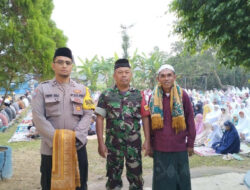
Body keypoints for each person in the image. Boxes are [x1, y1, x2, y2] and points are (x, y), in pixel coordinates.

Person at [32, 47, 94, 190]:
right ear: (53, 65)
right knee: (50, 186)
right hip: (51, 149)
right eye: (60, 62)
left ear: (72, 66)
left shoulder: (83, 90)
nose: (64, 65)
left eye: (68, 62)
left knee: (79, 185)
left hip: (77, 147)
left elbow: (88, 114)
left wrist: (76, 137)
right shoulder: (42, 89)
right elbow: (38, 116)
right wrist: (58, 140)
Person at [95, 58, 151, 190]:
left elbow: (145, 118)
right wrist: (100, 143)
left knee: (136, 179)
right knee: (113, 179)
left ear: (131, 74)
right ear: (115, 75)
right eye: (120, 72)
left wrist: (148, 140)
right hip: (113, 146)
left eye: (127, 72)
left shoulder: (139, 95)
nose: (124, 75)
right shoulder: (106, 95)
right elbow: (99, 119)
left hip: (134, 145)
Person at [149, 64, 196, 190]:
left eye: (169, 75)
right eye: (162, 76)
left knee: (181, 182)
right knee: (162, 184)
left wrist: (190, 143)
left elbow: (190, 119)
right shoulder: (153, 97)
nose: (166, 79)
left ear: (174, 77)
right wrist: (150, 145)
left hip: (179, 147)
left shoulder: (183, 95)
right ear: (158, 79)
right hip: (160, 148)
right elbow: (149, 123)